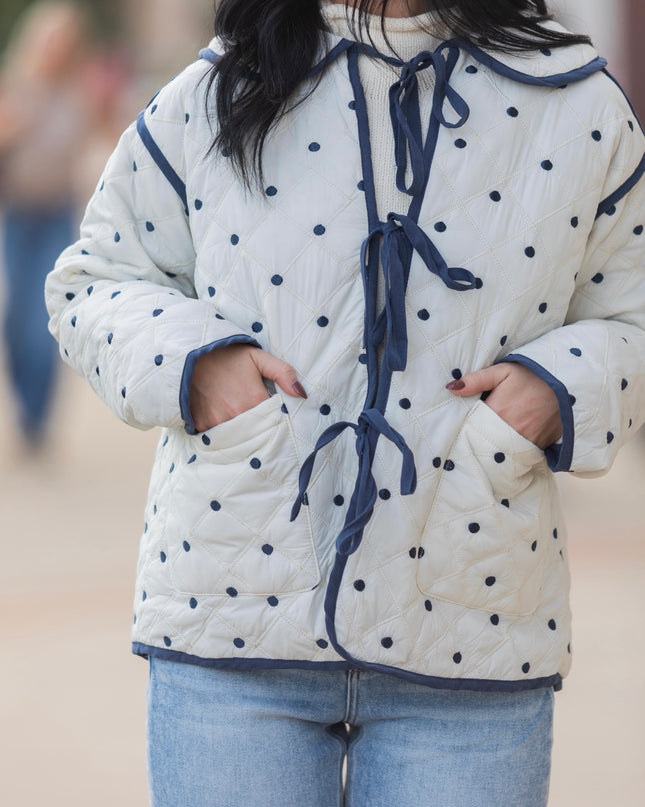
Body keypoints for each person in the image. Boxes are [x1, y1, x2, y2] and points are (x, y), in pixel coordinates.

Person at [45, 1, 645, 805]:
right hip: (233, 616)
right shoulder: (222, 84)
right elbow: (97, 278)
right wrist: (201, 369)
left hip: (474, 622)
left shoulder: (575, 101)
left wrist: (555, 389)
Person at [0, 1, 92, 447]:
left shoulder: (79, 94)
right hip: (18, 215)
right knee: (16, 321)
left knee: (46, 321)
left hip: (58, 214)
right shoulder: (15, 88)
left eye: (65, 42)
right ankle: (22, 402)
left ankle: (37, 419)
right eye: (51, 41)